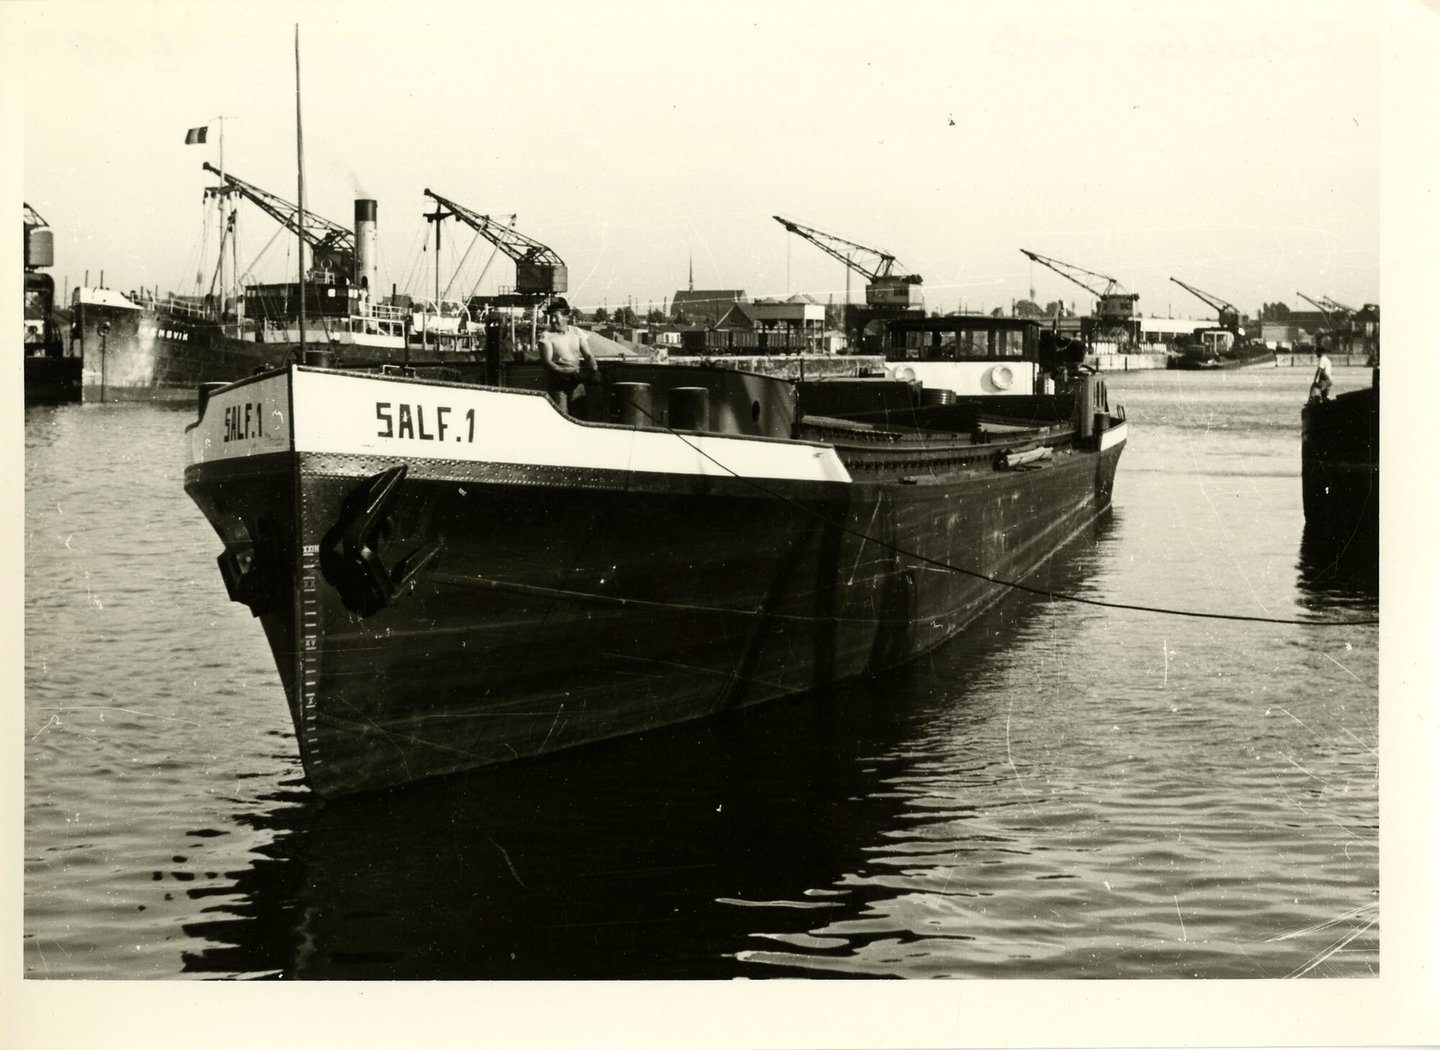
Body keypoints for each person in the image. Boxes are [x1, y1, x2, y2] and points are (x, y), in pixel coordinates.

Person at [537, 297, 598, 416]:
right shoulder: (546, 336)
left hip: (577, 383)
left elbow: (589, 355)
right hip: (558, 385)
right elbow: (546, 362)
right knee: (560, 417)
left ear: (566, 317)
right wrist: (566, 372)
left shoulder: (577, 333)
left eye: (556, 317)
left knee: (579, 418)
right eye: (550, 317)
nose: (552, 321)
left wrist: (593, 370)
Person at [1310, 337, 1333, 402]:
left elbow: (1319, 370)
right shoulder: (1326, 358)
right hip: (1329, 380)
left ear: (1320, 352)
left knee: (1314, 388)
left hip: (1325, 380)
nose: (1316, 353)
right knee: (1324, 396)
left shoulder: (1322, 359)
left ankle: (1311, 403)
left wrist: (1315, 380)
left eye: (1316, 352)